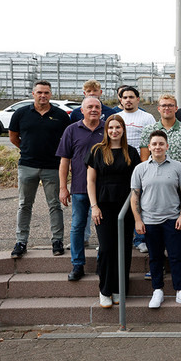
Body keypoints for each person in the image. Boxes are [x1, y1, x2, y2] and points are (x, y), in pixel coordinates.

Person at [131, 130, 181, 309]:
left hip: (172, 219)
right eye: (154, 144)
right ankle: (157, 290)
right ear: (149, 147)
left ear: (167, 146)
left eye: (161, 144)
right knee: (155, 257)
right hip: (150, 221)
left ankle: (180, 291)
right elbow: (135, 196)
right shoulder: (140, 168)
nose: (157, 147)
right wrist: (138, 220)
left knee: (176, 257)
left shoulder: (177, 167)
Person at [9, 80, 70, 258]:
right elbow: (13, 137)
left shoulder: (60, 115)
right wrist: (26, 149)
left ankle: (57, 241)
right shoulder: (21, 113)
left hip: (53, 167)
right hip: (27, 166)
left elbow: (66, 141)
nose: (43, 95)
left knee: (54, 205)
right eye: (39, 92)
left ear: (51, 94)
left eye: (46, 92)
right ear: (33, 94)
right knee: (24, 205)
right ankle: (21, 242)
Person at [86, 115, 140, 308]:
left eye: (118, 127)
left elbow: (136, 183)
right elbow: (90, 181)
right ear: (106, 130)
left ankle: (119, 288)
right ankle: (105, 289)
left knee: (123, 249)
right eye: (111, 128)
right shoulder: (97, 151)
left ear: (123, 129)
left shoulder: (131, 152)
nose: (114, 131)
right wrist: (94, 206)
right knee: (107, 248)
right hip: (103, 207)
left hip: (125, 207)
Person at [138, 94, 181, 253]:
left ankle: (178, 262)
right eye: (163, 105)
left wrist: (176, 177)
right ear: (158, 109)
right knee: (154, 226)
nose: (167, 108)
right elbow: (144, 158)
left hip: (178, 183)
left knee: (178, 223)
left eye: (170, 105)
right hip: (154, 184)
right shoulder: (149, 130)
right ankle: (157, 263)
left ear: (176, 108)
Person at [56, 96, 105, 281]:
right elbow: (64, 161)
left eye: (97, 107)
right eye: (90, 107)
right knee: (77, 226)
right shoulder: (71, 130)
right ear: (82, 111)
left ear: (101, 110)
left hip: (104, 189)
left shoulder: (107, 129)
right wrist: (63, 187)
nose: (94, 109)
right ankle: (77, 265)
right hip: (79, 188)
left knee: (104, 228)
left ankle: (103, 263)